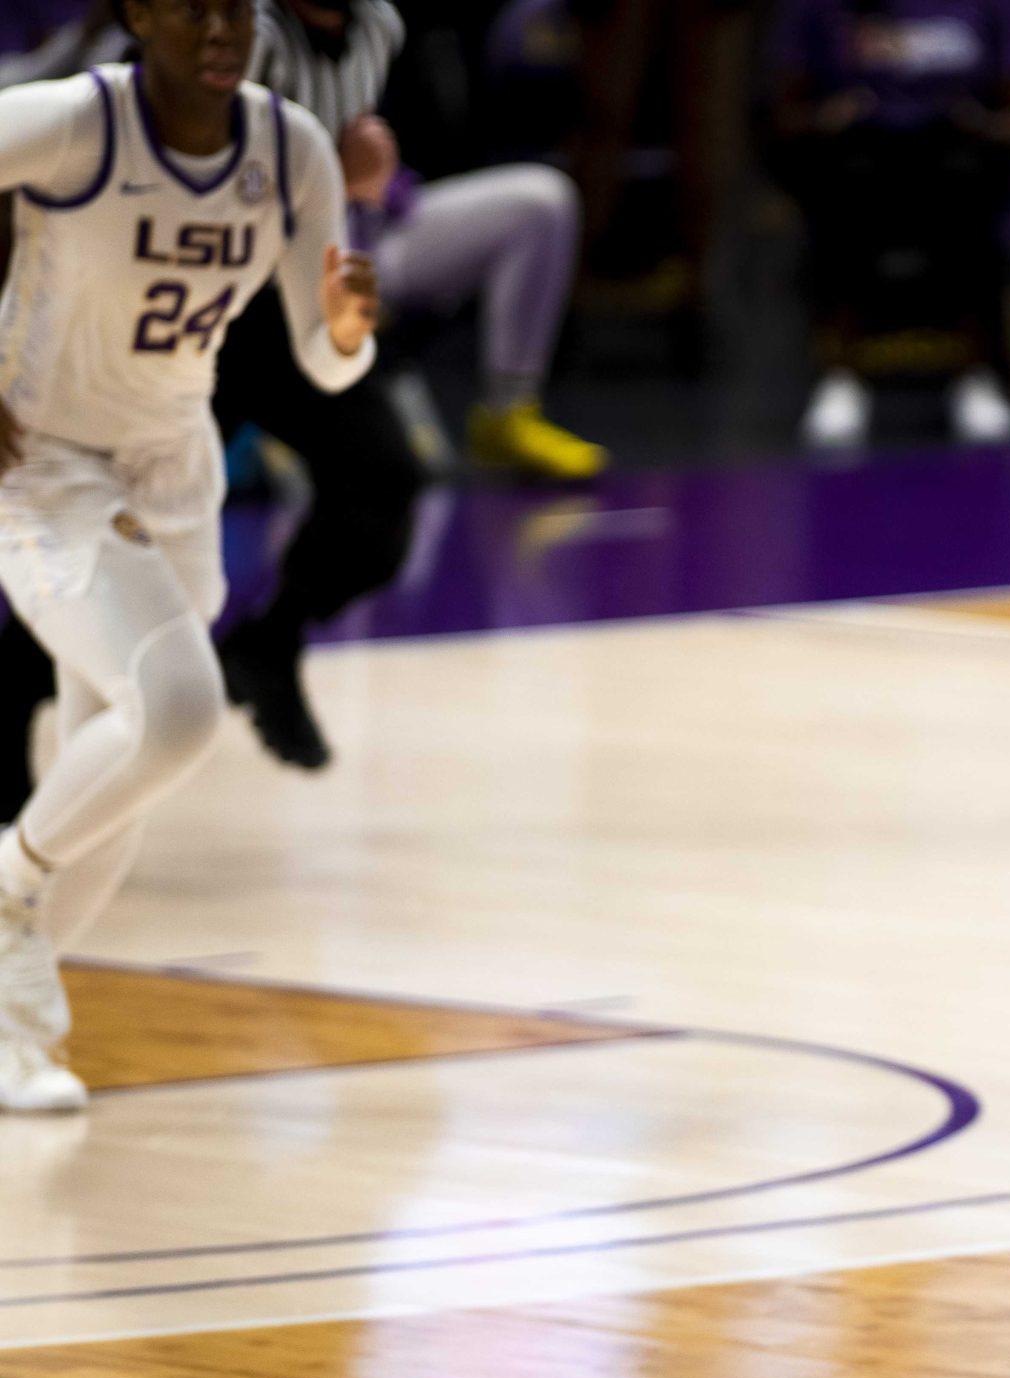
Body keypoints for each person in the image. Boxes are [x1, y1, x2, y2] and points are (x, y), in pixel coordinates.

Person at [0, 0, 377, 1110]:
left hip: (175, 467)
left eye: (235, 5)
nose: (218, 24)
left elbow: (325, 360)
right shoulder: (76, 124)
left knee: (116, 773)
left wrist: (350, 330)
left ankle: (14, 1031)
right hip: (45, 463)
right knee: (175, 712)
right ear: (137, 13)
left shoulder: (288, 147)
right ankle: (8, 887)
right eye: (188, 2)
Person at [249, 0, 604, 480]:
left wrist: (378, 183)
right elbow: (227, 182)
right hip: (270, 263)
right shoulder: (249, 34)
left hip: (363, 234)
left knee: (543, 201)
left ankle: (508, 411)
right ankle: (266, 420)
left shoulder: (380, 23)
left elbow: (377, 157)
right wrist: (332, 172)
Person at [763, 0, 1010, 449]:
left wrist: (982, 123)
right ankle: (839, 378)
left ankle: (977, 377)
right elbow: (786, 112)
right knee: (840, 185)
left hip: (955, 149)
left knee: (971, 186)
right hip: (858, 152)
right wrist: (825, 119)